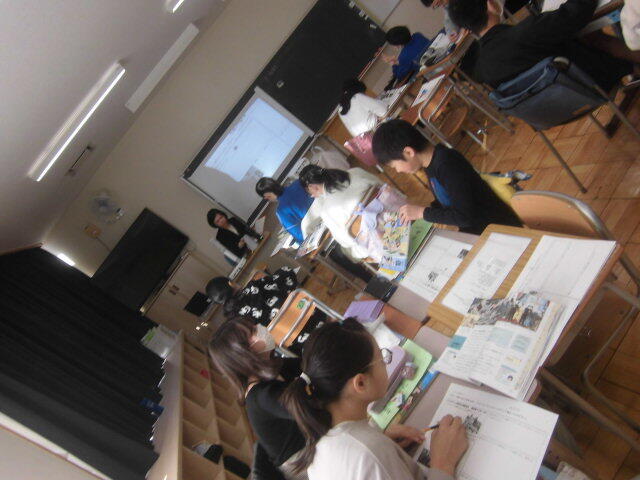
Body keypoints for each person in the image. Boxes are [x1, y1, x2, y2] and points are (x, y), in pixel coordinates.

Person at [282, 318, 468, 479]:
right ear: (361, 383)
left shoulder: (320, 446)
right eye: (382, 358)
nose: (386, 363)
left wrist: (383, 443)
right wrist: (443, 463)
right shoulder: (368, 453)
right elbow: (366, 459)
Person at [447, 0, 635, 92]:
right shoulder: (526, 33)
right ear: (490, 5)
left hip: (559, 104)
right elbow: (577, 12)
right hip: (592, 80)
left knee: (591, 36)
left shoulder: (482, 70)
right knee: (593, 36)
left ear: (466, 29)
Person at [371, 120, 522, 234]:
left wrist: (422, 212)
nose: (397, 171)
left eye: (394, 166)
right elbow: (446, 199)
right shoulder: (430, 165)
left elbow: (464, 216)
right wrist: (419, 213)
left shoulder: (447, 163)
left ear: (409, 152)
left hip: (498, 227)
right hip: (480, 228)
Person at [208, 317, 305, 479]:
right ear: (243, 353)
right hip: (303, 461)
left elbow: (309, 364)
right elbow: (310, 406)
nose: (260, 329)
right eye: (253, 331)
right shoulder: (260, 396)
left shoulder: (275, 367)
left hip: (312, 436)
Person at [299, 165, 382, 261]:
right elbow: (381, 186)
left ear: (312, 187)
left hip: (379, 242)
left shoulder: (326, 212)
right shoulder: (356, 171)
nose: (312, 196)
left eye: (309, 192)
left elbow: (347, 241)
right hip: (393, 214)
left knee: (345, 251)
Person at [206, 266, 297, 326]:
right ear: (231, 284)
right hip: (299, 313)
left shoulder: (234, 322)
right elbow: (288, 274)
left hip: (287, 340)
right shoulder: (254, 287)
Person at [256, 177, 313, 244]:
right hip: (323, 214)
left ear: (266, 195)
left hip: (314, 232)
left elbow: (299, 235)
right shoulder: (298, 183)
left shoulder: (281, 211)